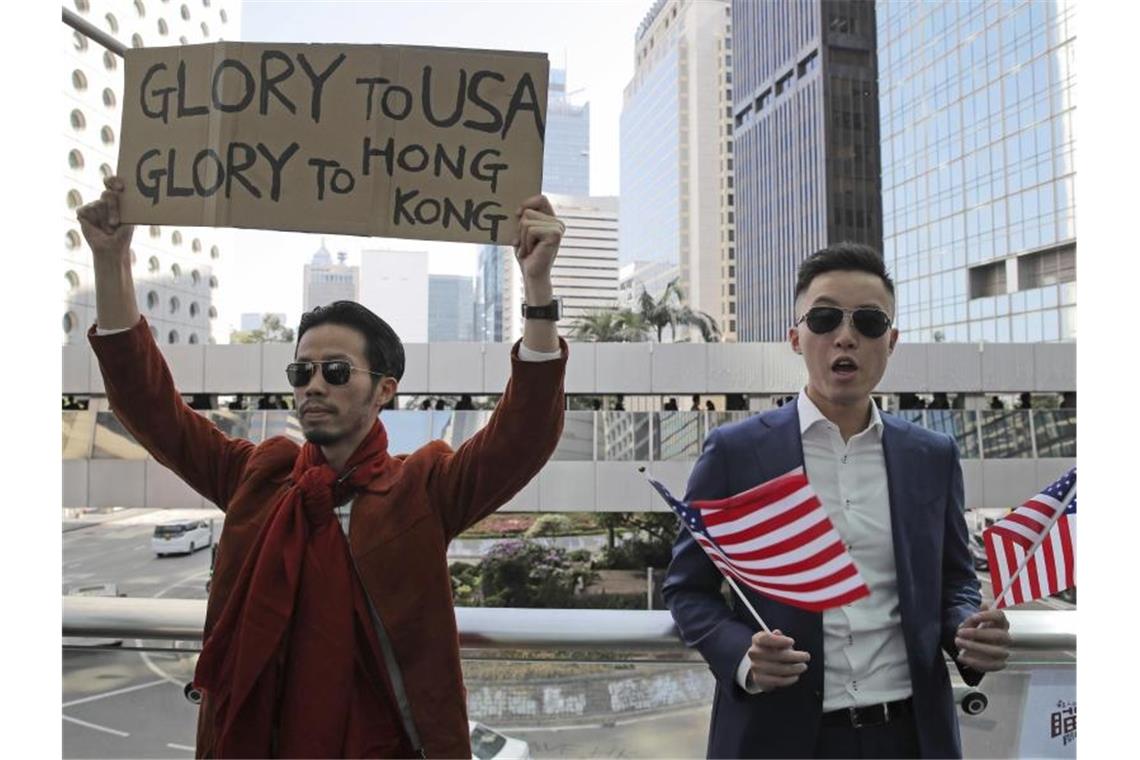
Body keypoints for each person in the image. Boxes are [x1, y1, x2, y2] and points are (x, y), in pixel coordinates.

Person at [77, 176, 569, 758]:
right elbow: (150, 408)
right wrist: (112, 261)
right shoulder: (256, 478)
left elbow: (523, 436)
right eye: (300, 372)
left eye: (335, 372)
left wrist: (537, 287)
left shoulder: (423, 489)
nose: (313, 384)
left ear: (384, 390)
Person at [663, 242, 1010, 759]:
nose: (845, 336)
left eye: (868, 322)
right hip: (777, 735)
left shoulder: (931, 455)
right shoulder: (736, 453)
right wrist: (742, 657)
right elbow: (688, 589)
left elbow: (954, 579)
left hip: (910, 736)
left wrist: (969, 629)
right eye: (824, 318)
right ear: (796, 338)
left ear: (891, 341)